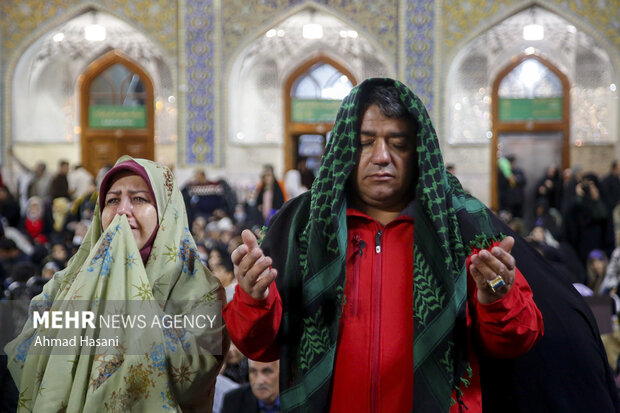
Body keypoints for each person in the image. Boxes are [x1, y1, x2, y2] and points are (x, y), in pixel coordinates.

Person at [224, 78, 620, 412]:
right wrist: (253, 299)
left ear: (418, 151)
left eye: (398, 143)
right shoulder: (301, 228)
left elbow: (516, 339)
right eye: (366, 142)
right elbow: (259, 346)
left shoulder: (463, 226)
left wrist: (496, 296)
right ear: (345, 148)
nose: (382, 157)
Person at [5, 156, 228, 412]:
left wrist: (125, 293)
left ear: (167, 212)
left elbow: (193, 378)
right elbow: (26, 352)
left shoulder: (201, 290)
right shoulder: (70, 280)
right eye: (112, 200)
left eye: (139, 199)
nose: (122, 210)